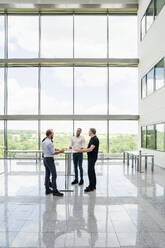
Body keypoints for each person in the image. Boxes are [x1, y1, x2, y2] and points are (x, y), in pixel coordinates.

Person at [42, 129, 64, 196]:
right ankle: (55, 191)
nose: (53, 135)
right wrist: (61, 151)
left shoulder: (44, 141)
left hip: (45, 159)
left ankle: (47, 190)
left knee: (47, 174)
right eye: (53, 134)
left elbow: (48, 150)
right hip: (49, 159)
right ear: (50, 134)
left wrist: (55, 149)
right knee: (54, 175)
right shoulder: (50, 142)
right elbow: (53, 153)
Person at [77, 128, 99, 192]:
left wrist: (81, 150)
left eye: (89, 131)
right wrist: (83, 148)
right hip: (91, 157)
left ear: (91, 132)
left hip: (92, 157)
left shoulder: (95, 139)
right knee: (92, 171)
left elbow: (90, 149)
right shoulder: (92, 138)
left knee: (90, 172)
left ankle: (91, 187)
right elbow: (89, 148)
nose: (88, 132)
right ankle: (93, 185)